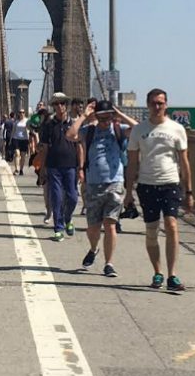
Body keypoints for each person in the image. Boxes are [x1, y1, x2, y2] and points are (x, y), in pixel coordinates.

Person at [124, 87, 194, 292]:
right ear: (148, 105)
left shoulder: (176, 129)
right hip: (146, 185)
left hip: (170, 183)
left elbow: (185, 161)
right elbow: (132, 163)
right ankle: (157, 272)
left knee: (172, 225)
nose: (157, 107)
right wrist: (128, 192)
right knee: (152, 231)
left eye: (160, 103)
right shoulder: (138, 130)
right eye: (153, 103)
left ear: (166, 105)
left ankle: (172, 275)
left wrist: (189, 191)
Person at [67, 99, 137, 277]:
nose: (105, 122)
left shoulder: (118, 129)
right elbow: (70, 135)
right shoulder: (89, 131)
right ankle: (93, 248)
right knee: (93, 227)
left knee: (110, 224)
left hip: (115, 182)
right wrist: (84, 116)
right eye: (102, 118)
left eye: (108, 118)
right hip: (93, 183)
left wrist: (119, 114)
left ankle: (109, 263)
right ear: (96, 117)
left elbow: (138, 128)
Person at [38, 92, 80, 241]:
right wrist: (42, 169)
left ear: (66, 105)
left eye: (62, 103)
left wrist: (81, 167)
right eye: (56, 104)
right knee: (56, 197)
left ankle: (68, 218)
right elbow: (44, 148)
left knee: (73, 197)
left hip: (71, 166)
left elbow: (79, 146)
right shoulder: (49, 125)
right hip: (53, 165)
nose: (60, 106)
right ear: (53, 106)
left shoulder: (74, 124)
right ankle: (59, 228)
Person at [10, 108, 29, 175]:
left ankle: (21, 169)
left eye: (23, 112)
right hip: (16, 139)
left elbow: (30, 129)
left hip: (24, 139)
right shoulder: (16, 122)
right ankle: (16, 169)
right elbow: (13, 131)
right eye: (20, 112)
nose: (21, 113)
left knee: (23, 155)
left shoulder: (27, 121)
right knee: (17, 153)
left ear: (24, 113)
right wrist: (10, 140)